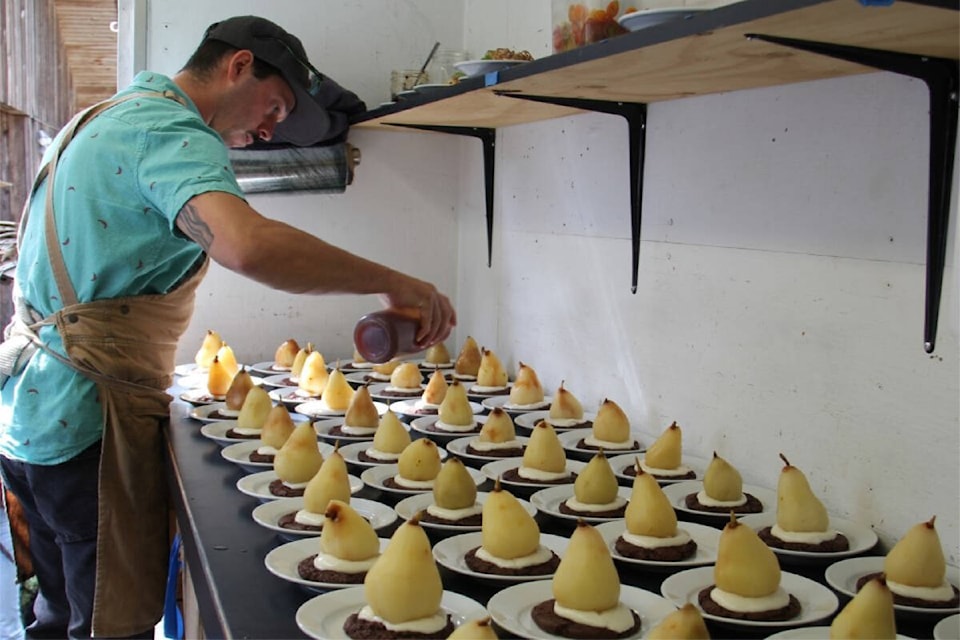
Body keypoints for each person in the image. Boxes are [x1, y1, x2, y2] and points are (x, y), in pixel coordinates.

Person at [0, 15, 455, 639]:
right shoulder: (170, 130)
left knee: (56, 617)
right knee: (107, 627)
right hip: (86, 421)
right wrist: (395, 281)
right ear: (239, 65)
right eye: (275, 105)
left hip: (31, 417)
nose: (270, 129)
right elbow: (248, 246)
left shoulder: (102, 120)